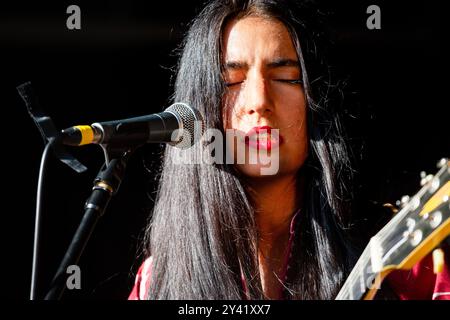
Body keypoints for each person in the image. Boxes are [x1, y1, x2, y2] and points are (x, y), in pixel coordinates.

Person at [128, 0, 450, 300]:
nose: (259, 102)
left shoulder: (402, 253)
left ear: (316, 104)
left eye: (284, 77)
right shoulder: (157, 280)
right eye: (231, 81)